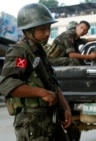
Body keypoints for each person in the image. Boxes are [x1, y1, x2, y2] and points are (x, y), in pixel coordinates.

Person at [0, 3, 71, 141]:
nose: (47, 33)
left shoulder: (40, 51)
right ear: (28, 30)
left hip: (50, 118)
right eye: (42, 29)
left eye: (49, 28)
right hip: (33, 123)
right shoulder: (20, 52)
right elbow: (7, 83)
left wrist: (65, 107)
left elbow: (53, 82)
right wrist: (42, 93)